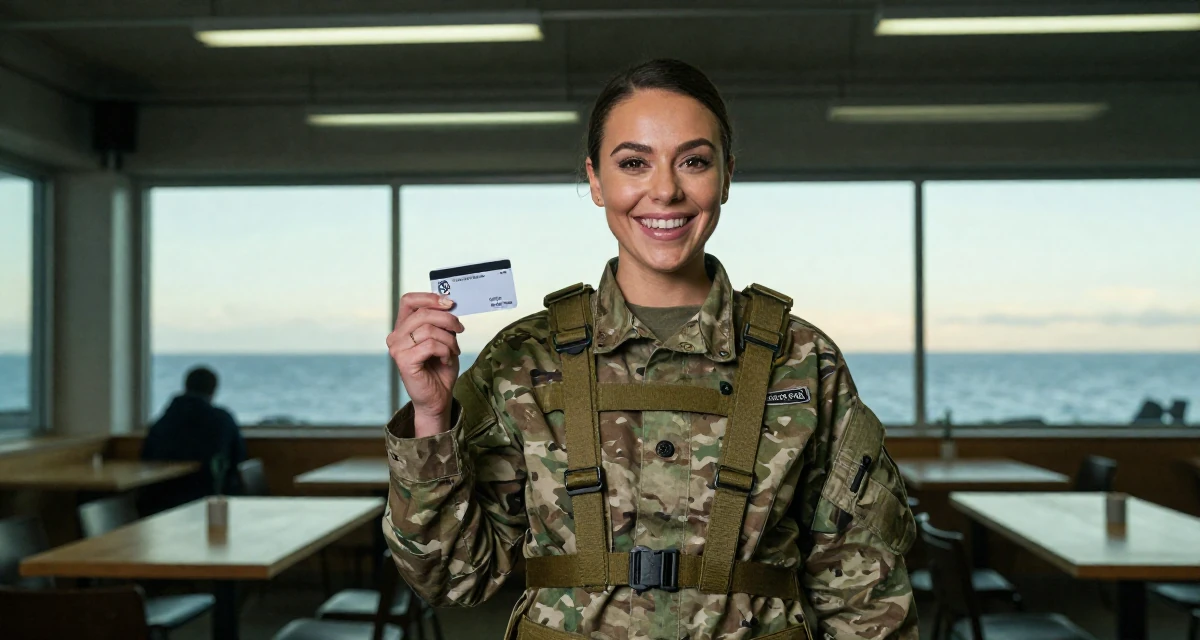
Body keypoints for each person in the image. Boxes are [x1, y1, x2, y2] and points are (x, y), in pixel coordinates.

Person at [383, 59, 917, 640]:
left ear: (727, 177)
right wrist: (431, 417)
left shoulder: (803, 359)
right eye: (634, 163)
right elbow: (453, 579)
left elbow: (865, 599)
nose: (664, 190)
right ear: (595, 181)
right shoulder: (523, 359)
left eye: (694, 161)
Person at [140, 366, 247, 514]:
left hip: (159, 502)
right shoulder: (222, 420)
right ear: (213, 390)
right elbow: (239, 457)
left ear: (185, 386)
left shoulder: (163, 421)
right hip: (209, 501)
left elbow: (145, 457)